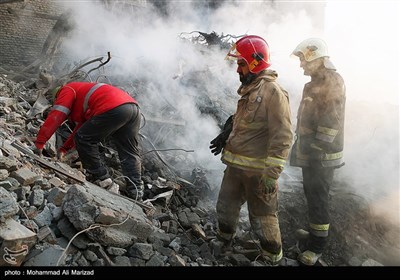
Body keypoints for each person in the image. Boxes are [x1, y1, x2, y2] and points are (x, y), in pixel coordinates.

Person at [209, 35, 293, 265]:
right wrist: (227, 131)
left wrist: (271, 174)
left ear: (255, 62)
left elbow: (283, 134)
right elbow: (244, 120)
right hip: (235, 168)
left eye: (241, 63)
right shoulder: (250, 89)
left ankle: (272, 258)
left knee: (263, 219)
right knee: (225, 207)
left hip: (258, 173)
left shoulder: (273, 91)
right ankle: (224, 241)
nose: (238, 69)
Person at [34, 81, 144, 200]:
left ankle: (102, 177)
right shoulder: (84, 92)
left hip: (114, 107)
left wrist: (40, 142)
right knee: (129, 151)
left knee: (85, 139)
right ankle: (136, 191)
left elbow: (58, 114)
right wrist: (64, 148)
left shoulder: (67, 89)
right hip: (133, 109)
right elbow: (82, 128)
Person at [290, 38, 346, 266]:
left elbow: (331, 122)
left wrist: (317, 149)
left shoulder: (331, 81)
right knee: (311, 196)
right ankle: (314, 235)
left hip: (321, 157)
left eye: (303, 59)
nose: (301, 65)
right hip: (312, 153)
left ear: (315, 58)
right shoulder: (315, 82)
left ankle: (317, 247)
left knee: (319, 199)